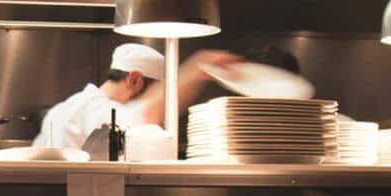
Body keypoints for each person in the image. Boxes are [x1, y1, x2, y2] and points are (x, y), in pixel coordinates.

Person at [34, 43, 239, 150]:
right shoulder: (96, 110)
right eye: (159, 91)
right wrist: (197, 68)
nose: (162, 100)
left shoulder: (65, 107)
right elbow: (145, 114)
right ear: (134, 79)